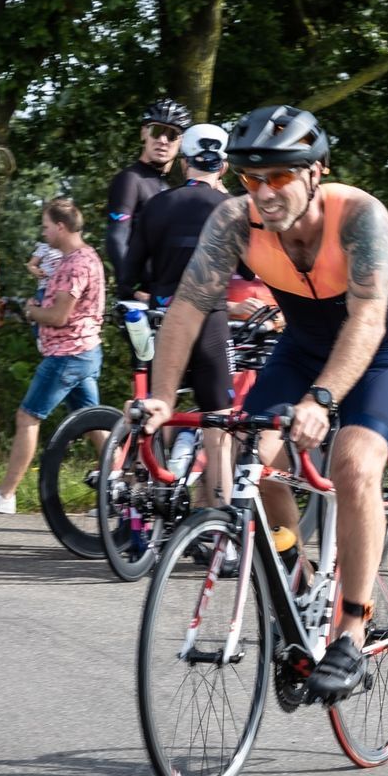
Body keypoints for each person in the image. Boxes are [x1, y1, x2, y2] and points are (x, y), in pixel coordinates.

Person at [131, 105, 388, 701]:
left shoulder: (361, 216)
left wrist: (322, 398)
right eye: (251, 178)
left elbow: (368, 318)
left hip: (383, 350)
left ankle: (349, 628)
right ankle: (298, 578)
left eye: (280, 176)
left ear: (316, 172)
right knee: (247, 455)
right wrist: (161, 398)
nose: (264, 192)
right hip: (303, 344)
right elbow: (188, 308)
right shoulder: (234, 221)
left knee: (353, 464)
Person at [119, 122, 238, 503]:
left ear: (184, 162)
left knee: (159, 409)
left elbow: (130, 273)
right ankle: (223, 525)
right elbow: (253, 270)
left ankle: (151, 499)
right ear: (223, 166)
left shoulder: (156, 205)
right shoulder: (231, 207)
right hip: (210, 320)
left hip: (162, 319)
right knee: (219, 422)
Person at [0, 198, 105, 514]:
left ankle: (5, 494)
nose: (43, 233)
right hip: (85, 351)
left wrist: (31, 311)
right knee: (96, 423)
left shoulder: (75, 265)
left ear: (60, 226)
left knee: (28, 416)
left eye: (45, 226)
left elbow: (58, 316)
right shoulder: (87, 257)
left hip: (67, 355)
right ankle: (121, 492)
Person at [102, 98, 191, 277]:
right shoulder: (130, 179)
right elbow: (116, 238)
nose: (163, 140)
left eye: (171, 134)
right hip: (140, 297)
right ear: (144, 133)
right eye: (156, 131)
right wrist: (131, 287)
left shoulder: (167, 185)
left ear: (181, 141)